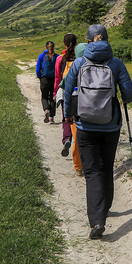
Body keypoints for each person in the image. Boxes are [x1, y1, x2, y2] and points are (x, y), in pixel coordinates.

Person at [63, 25, 132, 240]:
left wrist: (68, 114)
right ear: (106, 39)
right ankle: (104, 208)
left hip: (85, 125)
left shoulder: (79, 62)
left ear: (87, 41)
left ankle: (97, 220)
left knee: (92, 171)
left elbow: (68, 90)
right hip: (110, 125)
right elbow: (129, 95)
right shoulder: (116, 63)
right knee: (106, 168)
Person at [54, 33, 83, 176]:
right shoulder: (80, 59)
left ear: (64, 44)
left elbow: (58, 78)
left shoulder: (60, 59)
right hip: (80, 95)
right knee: (78, 125)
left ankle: (66, 139)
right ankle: (81, 161)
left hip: (66, 92)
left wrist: (55, 93)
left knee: (66, 118)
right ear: (76, 43)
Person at [36, 41, 59, 124]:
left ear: (45, 47)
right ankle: (51, 118)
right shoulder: (57, 56)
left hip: (44, 79)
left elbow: (38, 68)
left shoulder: (42, 56)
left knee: (44, 97)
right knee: (53, 98)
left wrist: (39, 77)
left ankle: (46, 110)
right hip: (54, 79)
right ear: (54, 47)